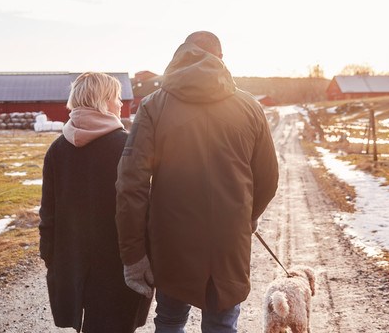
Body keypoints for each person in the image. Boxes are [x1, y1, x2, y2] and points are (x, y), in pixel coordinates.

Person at [116, 31, 280, 332]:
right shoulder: (250, 108)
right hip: (229, 242)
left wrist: (134, 254)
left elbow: (131, 185)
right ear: (221, 59)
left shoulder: (153, 106)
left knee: (170, 321)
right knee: (222, 325)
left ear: (180, 56)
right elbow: (268, 180)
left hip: (171, 244)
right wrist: (247, 217)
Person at [39, 72, 151, 332]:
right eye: (115, 97)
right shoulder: (126, 146)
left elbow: (48, 211)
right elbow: (143, 206)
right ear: (102, 101)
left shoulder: (57, 149)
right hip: (119, 259)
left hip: (72, 260)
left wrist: (50, 255)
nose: (121, 103)